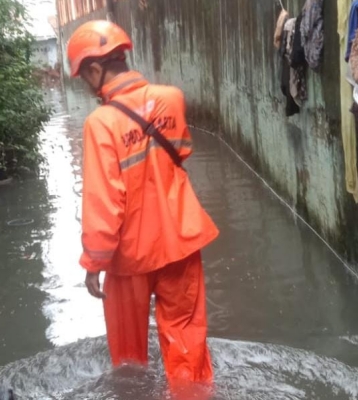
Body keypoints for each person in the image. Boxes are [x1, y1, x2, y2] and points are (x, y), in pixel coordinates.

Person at [66, 20, 220, 387]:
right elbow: (181, 152)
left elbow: (104, 203)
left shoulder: (100, 123)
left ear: (95, 69)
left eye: (85, 77)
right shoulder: (172, 99)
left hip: (129, 255)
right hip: (180, 239)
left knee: (129, 359)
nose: (88, 86)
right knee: (187, 344)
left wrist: (94, 263)